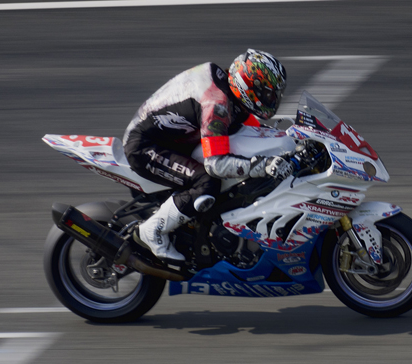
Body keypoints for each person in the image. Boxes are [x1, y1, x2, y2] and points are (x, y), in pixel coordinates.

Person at [123, 49, 293, 261]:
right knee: (206, 181)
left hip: (178, 140)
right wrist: (263, 165)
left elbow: (252, 128)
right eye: (268, 93)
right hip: (146, 146)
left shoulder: (231, 92)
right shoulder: (217, 104)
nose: (272, 99)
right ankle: (151, 231)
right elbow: (216, 164)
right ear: (248, 87)